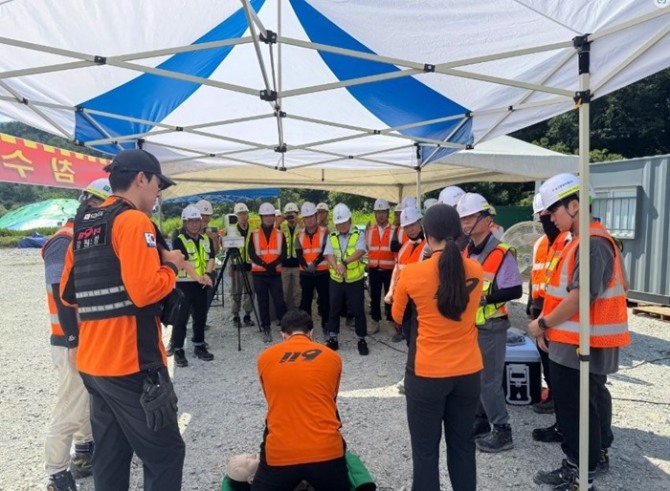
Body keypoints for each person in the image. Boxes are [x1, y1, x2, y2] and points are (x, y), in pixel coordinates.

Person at [60, 149, 186, 491]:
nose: (158, 193)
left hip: (93, 364)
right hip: (131, 364)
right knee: (165, 454)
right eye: (158, 184)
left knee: (111, 455)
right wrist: (170, 266)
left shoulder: (84, 227)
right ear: (142, 178)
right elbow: (145, 292)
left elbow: (68, 294)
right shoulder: (134, 221)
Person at [530, 173, 630, 491]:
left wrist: (542, 324)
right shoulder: (577, 242)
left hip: (582, 344)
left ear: (574, 206)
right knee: (575, 411)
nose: (551, 219)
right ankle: (577, 466)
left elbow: (580, 296)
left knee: (579, 412)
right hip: (571, 341)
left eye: (553, 211)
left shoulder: (593, 243)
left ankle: (581, 476)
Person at [392, 204, 484, 491]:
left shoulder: (413, 273)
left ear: (427, 235)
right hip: (468, 372)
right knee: (463, 446)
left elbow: (397, 317)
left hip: (426, 374)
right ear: (458, 232)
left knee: (425, 453)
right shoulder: (476, 270)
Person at [41, 178, 111, 490]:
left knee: (86, 397)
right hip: (69, 337)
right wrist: (73, 340)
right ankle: (56, 472)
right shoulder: (63, 240)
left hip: (85, 336)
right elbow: (60, 293)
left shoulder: (84, 236)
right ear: (91, 204)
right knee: (70, 405)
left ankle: (83, 452)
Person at [252, 310, 349, 491]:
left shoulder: (265, 358)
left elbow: (271, 398)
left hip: (280, 453)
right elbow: (331, 397)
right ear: (310, 333)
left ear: (283, 335)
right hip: (326, 451)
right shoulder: (333, 357)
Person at [457, 192, 522, 453]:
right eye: (463, 218)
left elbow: (515, 290)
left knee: (489, 381)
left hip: (492, 326)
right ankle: (481, 421)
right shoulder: (466, 250)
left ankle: (503, 430)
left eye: (471, 217)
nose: (466, 222)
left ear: (487, 219)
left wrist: (483, 299)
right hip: (471, 326)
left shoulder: (502, 252)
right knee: (473, 377)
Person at [527, 193, 570, 431]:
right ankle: (554, 396)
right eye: (542, 216)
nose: (547, 220)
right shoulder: (540, 244)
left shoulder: (569, 240)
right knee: (547, 359)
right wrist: (532, 303)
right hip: (541, 308)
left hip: (560, 313)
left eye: (548, 214)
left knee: (562, 368)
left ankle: (563, 419)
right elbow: (536, 275)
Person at [166, 204, 215, 367]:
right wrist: (198, 277)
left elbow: (211, 258)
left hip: (201, 283)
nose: (194, 224)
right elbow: (184, 263)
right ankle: (178, 349)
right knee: (181, 318)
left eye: (196, 221)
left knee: (200, 316)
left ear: (201, 222)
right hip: (184, 285)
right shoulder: (179, 241)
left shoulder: (206, 239)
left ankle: (199, 345)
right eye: (190, 221)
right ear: (185, 223)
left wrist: (207, 274)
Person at [323, 203, 369, 356]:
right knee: (334, 309)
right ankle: (333, 338)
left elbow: (360, 251)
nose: (341, 225)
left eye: (343, 222)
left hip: (354, 279)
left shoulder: (358, 234)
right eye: (338, 223)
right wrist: (336, 267)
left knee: (358, 310)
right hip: (336, 279)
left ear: (349, 220)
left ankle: (362, 339)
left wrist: (343, 263)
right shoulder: (332, 236)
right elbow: (328, 254)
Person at [385, 207, 426, 344]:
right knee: (409, 337)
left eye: (413, 224)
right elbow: (396, 271)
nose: (410, 229)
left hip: (421, 302)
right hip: (405, 300)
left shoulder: (429, 247)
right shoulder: (404, 247)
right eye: (406, 226)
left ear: (420, 222)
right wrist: (391, 291)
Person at [249, 202, 287, 342]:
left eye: (271, 215)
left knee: (279, 301)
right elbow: (252, 253)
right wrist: (265, 264)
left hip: (274, 273)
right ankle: (266, 328)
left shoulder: (280, 234)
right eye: (266, 216)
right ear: (261, 217)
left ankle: (285, 327)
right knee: (262, 301)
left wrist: (274, 264)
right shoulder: (254, 234)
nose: (269, 218)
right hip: (259, 274)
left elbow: (284, 253)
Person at [296, 202, 330, 334]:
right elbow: (299, 254)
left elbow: (326, 250)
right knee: (306, 300)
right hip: (306, 273)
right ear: (303, 219)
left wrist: (314, 263)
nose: (309, 220)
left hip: (322, 271)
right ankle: (306, 327)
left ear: (316, 216)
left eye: (311, 216)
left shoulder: (325, 231)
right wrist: (306, 267)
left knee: (325, 300)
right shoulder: (299, 234)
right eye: (306, 217)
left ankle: (326, 325)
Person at [365, 198, 395, 334]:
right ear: (375, 214)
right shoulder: (370, 230)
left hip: (390, 269)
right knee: (375, 296)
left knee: (390, 296)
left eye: (383, 212)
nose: (381, 215)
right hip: (374, 269)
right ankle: (375, 321)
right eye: (378, 212)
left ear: (388, 213)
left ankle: (390, 321)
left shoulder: (395, 230)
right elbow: (366, 248)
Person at [230, 202, 255, 329]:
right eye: (240, 214)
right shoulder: (232, 230)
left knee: (250, 293)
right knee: (236, 292)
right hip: (237, 266)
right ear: (236, 216)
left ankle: (247, 315)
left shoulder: (253, 230)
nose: (243, 216)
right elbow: (228, 250)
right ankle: (235, 316)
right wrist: (230, 265)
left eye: (244, 213)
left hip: (250, 266)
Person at [281, 202, 302, 310]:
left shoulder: (301, 227)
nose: (290, 216)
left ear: (297, 214)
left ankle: (297, 309)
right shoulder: (282, 227)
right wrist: (282, 219)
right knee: (283, 290)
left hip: (298, 265)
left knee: (298, 291)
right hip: (285, 265)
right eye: (288, 214)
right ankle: (283, 312)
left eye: (292, 213)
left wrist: (298, 220)